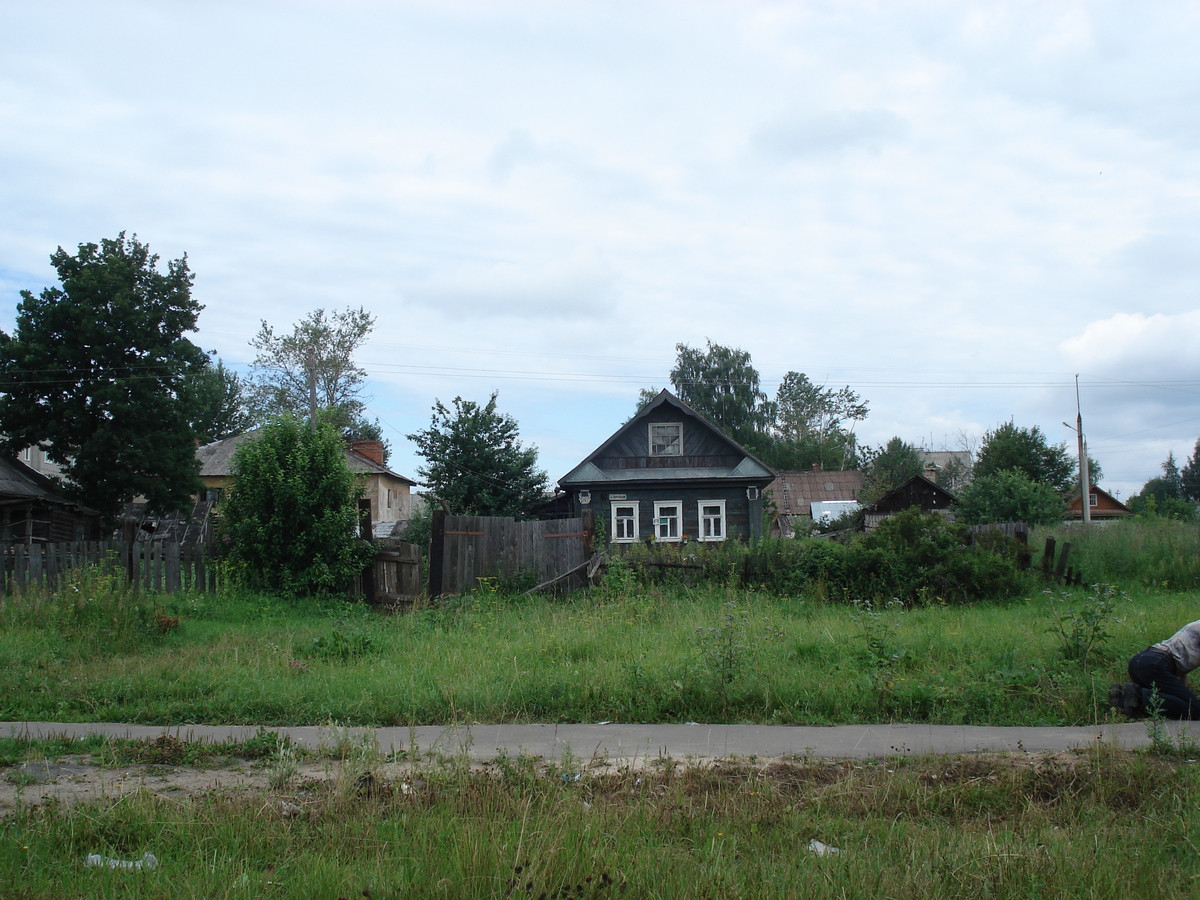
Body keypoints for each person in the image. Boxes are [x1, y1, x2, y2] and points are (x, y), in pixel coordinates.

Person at [1110, 619, 1200, 719]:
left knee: (1177, 702)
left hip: (1141, 661)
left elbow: (1180, 662)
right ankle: (1137, 695)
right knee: (1194, 709)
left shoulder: (1194, 627)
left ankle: (1125, 699)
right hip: (1155, 664)